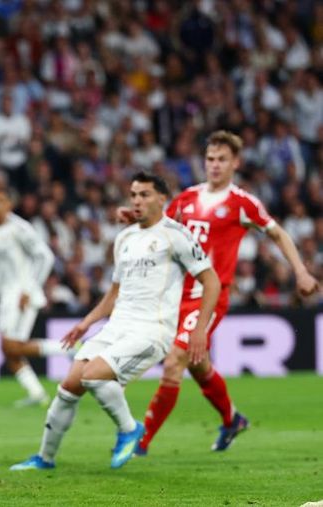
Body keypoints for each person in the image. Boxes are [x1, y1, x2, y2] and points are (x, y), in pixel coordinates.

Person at [119, 131, 320, 455]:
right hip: (175, 295)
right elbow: (161, 230)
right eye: (210, 158)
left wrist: (300, 271)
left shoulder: (242, 203)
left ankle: (140, 443)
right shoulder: (187, 198)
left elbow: (277, 233)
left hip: (209, 296)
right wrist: (137, 217)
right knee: (198, 365)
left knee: (174, 362)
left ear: (235, 163)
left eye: (222, 159)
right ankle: (232, 419)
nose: (214, 165)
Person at [10, 172, 220, 471]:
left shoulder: (176, 235)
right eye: (133, 194)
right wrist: (86, 322)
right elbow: (114, 292)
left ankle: (128, 428)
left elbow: (210, 281)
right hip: (118, 326)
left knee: (93, 375)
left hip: (153, 329)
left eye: (145, 194)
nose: (137, 200)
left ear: (163, 198)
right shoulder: (125, 237)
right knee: (69, 385)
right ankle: (45, 458)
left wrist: (199, 329)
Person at [0, 189, 66, 406]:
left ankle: (70, 348)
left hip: (24, 295)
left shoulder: (20, 228)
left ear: (9, 205)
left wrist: (29, 290)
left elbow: (45, 257)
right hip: (8, 295)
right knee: (8, 349)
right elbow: (1, 266)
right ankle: (37, 394)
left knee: (12, 346)